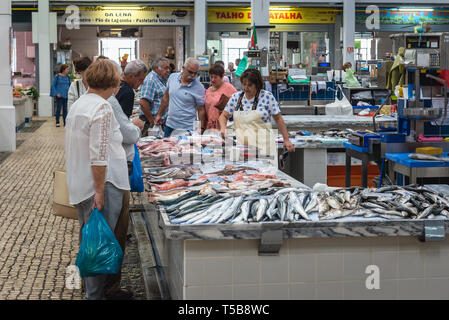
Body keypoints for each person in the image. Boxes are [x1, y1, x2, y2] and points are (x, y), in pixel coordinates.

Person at [65, 59, 129, 300]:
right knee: (99, 245)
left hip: (82, 184)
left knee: (90, 241)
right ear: (113, 82)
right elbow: (99, 155)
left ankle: (93, 292)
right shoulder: (101, 109)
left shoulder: (80, 104)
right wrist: (100, 192)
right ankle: (94, 295)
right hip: (101, 186)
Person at [104, 62, 141, 300]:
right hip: (113, 176)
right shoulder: (110, 102)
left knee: (100, 230)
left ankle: (96, 284)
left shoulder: (86, 104)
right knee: (115, 229)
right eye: (119, 80)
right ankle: (108, 287)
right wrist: (136, 126)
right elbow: (128, 134)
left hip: (103, 178)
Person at [218, 68, 294, 167]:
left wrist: (286, 139)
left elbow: (278, 118)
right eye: (244, 84)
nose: (245, 88)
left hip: (264, 148)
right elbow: (223, 116)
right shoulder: (236, 98)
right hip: (243, 149)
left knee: (267, 177)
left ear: (257, 85)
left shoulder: (267, 97)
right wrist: (223, 128)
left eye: (249, 85)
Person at [154, 58, 206, 137]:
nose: (192, 75)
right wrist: (159, 115)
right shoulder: (172, 78)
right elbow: (166, 98)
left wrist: (200, 129)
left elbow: (201, 110)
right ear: (183, 68)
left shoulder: (199, 87)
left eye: (195, 73)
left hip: (187, 128)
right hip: (170, 125)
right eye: (190, 72)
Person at [139, 57, 171, 135]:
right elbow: (143, 102)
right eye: (166, 68)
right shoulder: (151, 80)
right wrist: (152, 121)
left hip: (159, 123)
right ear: (157, 68)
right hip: (151, 124)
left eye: (169, 68)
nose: (168, 70)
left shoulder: (160, 80)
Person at [205, 64, 237, 130]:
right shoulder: (208, 90)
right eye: (211, 77)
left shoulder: (229, 88)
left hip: (224, 127)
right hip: (210, 127)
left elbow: (239, 105)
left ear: (222, 76)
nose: (213, 80)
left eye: (215, 77)